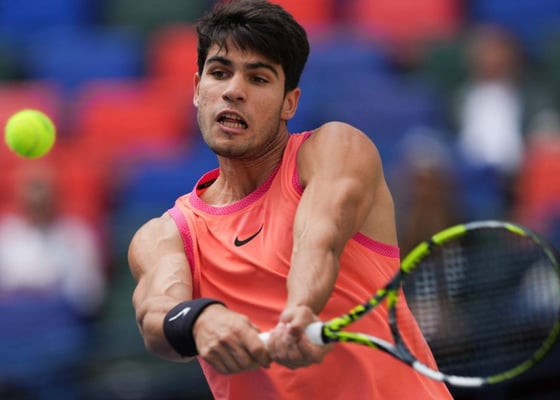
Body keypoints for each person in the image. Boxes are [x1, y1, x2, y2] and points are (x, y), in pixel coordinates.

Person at [128, 1, 453, 399]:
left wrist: (301, 309)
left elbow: (320, 237)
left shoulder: (335, 149)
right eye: (219, 73)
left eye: (258, 78)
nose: (233, 91)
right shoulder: (167, 235)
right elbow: (155, 313)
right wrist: (200, 321)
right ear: (197, 90)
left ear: (289, 103)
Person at [0, 162, 106, 399]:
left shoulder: (75, 235)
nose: (37, 201)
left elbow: (90, 297)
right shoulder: (5, 236)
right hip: (10, 338)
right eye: (31, 192)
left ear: (56, 196)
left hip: (58, 339)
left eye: (43, 192)